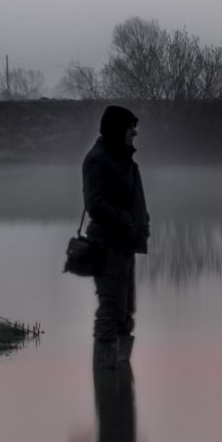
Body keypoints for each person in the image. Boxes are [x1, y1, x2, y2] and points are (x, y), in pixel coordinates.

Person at [82, 104, 148, 363]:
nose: (135, 133)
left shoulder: (123, 158)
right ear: (117, 130)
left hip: (125, 245)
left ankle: (121, 378)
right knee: (110, 311)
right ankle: (106, 377)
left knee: (125, 312)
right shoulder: (98, 159)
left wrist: (141, 222)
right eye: (131, 128)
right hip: (106, 246)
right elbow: (94, 204)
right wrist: (124, 219)